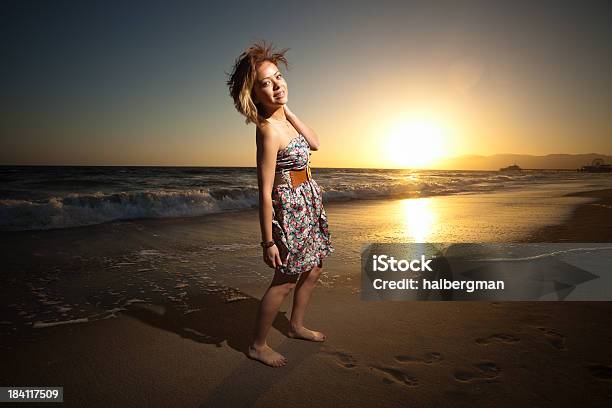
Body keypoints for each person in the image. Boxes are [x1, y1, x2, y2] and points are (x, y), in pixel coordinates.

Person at [226, 40, 334, 367]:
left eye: (278, 78)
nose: (276, 86)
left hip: (309, 200)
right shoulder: (267, 131)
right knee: (285, 280)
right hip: (288, 210)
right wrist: (268, 241)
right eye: (266, 84)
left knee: (314, 268)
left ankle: (296, 325)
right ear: (253, 94)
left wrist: (287, 107)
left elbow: (314, 143)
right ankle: (257, 345)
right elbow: (263, 190)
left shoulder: (285, 118)